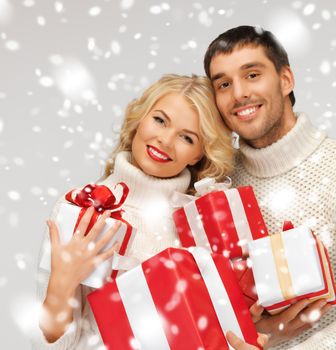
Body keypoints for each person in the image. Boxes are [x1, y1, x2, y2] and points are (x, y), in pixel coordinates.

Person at [204, 25, 336, 349]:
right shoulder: (217, 181)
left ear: (285, 80)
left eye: (252, 75)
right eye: (224, 84)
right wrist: (263, 334)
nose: (238, 94)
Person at [31, 74, 236, 349]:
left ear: (199, 154)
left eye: (186, 137)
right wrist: (61, 285)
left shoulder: (202, 222)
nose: (164, 140)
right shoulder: (83, 208)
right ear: (140, 118)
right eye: (160, 120)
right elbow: (52, 344)